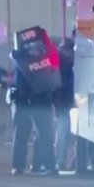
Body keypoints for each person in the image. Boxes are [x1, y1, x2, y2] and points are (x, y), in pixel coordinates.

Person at [9, 28, 59, 175]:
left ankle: (36, 165)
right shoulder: (23, 58)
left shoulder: (21, 57)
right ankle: (37, 165)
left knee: (38, 134)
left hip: (30, 99)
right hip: (30, 99)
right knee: (36, 134)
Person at [53, 38, 75, 172]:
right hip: (64, 104)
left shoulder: (62, 65)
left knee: (62, 135)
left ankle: (60, 161)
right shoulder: (64, 66)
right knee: (62, 134)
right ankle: (59, 162)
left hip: (65, 104)